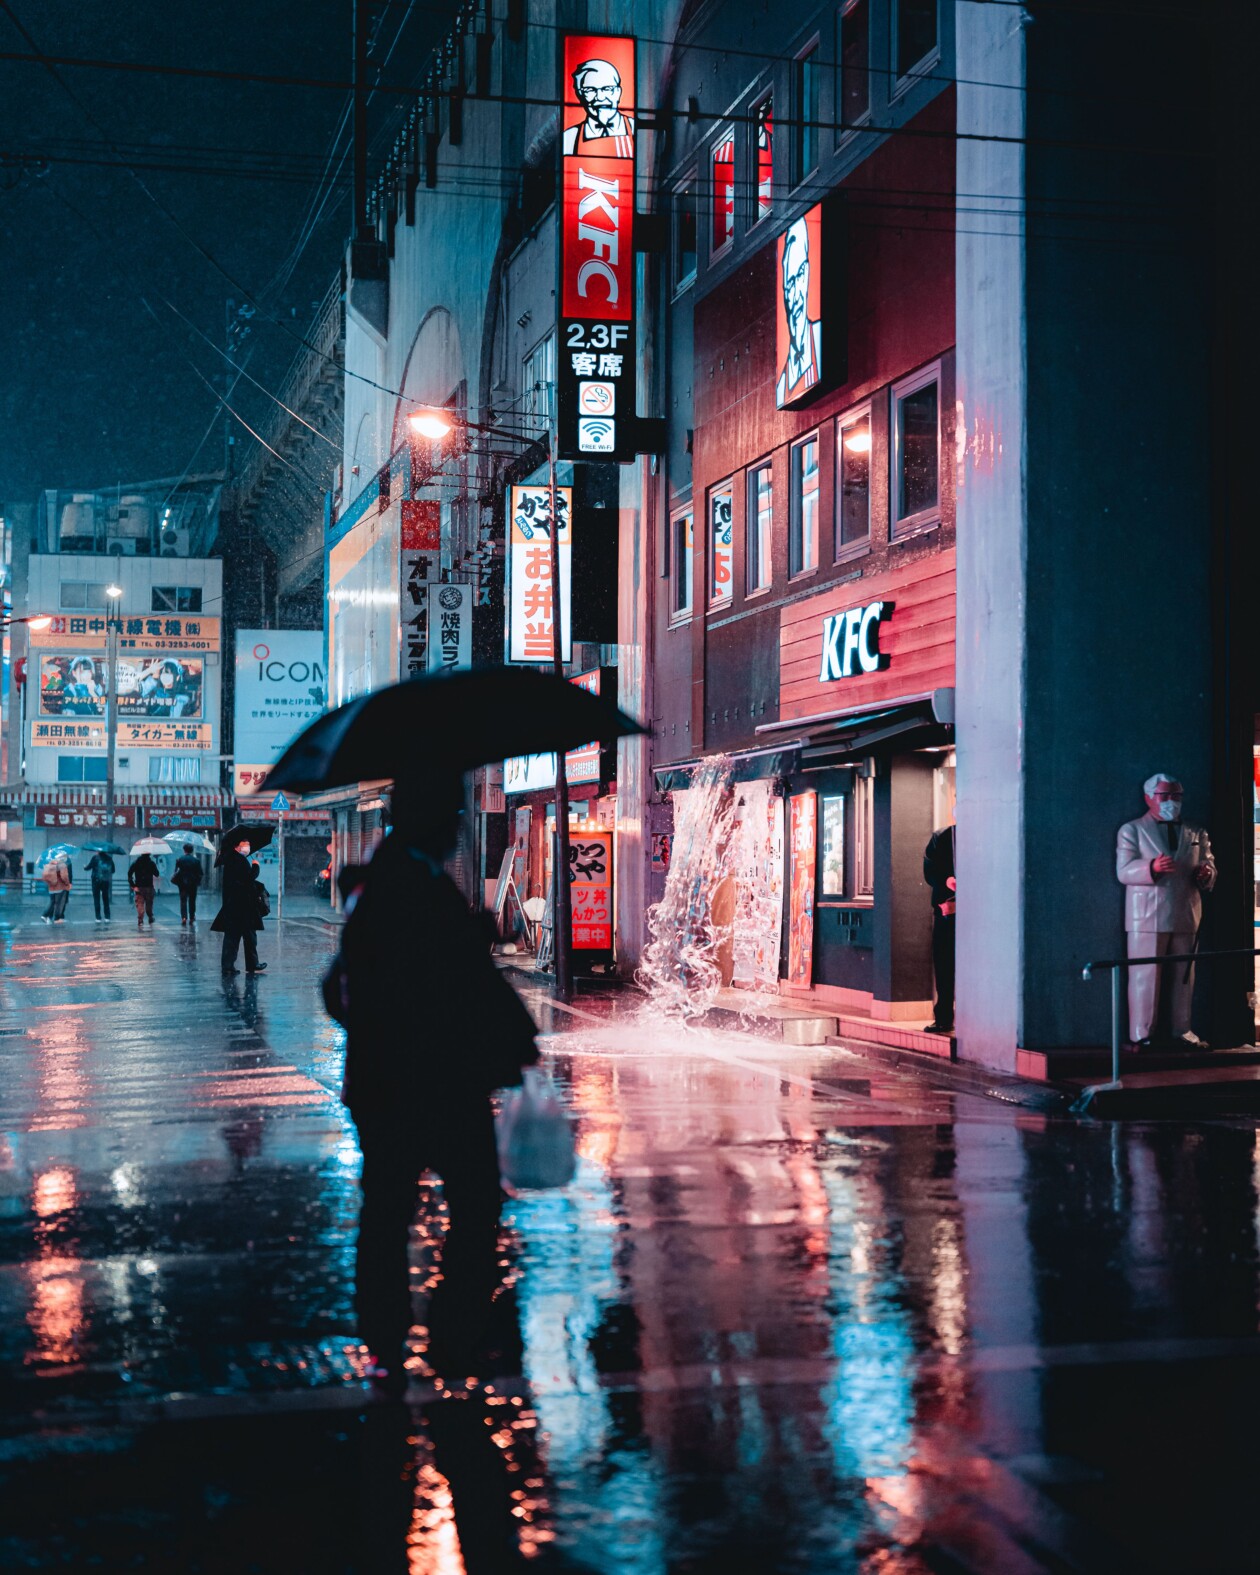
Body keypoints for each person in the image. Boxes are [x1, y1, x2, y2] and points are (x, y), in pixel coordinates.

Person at [332, 774, 538, 1391]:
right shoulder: (411, 885)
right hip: (433, 1082)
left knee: (390, 1208)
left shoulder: (388, 879)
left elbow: (344, 988)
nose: (457, 827)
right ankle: (449, 1335)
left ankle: (391, 1337)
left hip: (389, 1081)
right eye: (449, 815)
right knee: (472, 1204)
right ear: (427, 822)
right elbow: (436, 980)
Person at [1116, 772, 1217, 1049]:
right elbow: (1123, 871)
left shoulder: (1196, 832)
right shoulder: (1132, 830)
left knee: (1184, 976)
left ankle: (1181, 1029)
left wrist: (1206, 874)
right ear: (1149, 798)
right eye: (1164, 795)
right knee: (1144, 975)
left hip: (1186, 911)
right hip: (1146, 915)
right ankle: (1142, 1033)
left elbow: (1209, 864)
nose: (1171, 801)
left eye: (1176, 796)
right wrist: (1151, 868)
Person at [775, 215, 823, 407]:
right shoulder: (781, 386)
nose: (794, 296)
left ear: (808, 273)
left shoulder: (821, 340)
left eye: (799, 276)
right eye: (788, 285)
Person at [212, 836, 266, 976]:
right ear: (237, 847)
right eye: (245, 844)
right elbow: (248, 879)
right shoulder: (238, 861)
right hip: (241, 906)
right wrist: (256, 866)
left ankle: (235, 965)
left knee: (238, 937)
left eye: (248, 844)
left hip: (235, 905)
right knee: (242, 937)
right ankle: (243, 965)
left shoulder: (232, 860)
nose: (247, 847)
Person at [561, 57, 634, 157]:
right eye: (590, 90)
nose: (600, 97)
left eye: (607, 89)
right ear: (580, 95)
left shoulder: (636, 129)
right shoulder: (569, 138)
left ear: (618, 92)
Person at [923, 822, 956, 1035]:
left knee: (947, 965)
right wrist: (947, 880)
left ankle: (945, 1017)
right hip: (947, 910)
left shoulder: (987, 831)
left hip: (961, 911)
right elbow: (930, 871)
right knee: (944, 965)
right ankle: (943, 1016)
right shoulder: (942, 837)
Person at [172, 843, 203, 925]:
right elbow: (200, 873)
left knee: (183, 901)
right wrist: (197, 881)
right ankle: (192, 917)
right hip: (193, 884)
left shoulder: (179, 859)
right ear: (192, 851)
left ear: (184, 850)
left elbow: (175, 872)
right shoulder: (196, 861)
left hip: (182, 884)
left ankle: (184, 917)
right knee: (192, 901)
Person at [129, 851, 159, 927]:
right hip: (149, 887)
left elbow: (129, 873)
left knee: (140, 904)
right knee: (149, 904)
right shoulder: (151, 863)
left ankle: (140, 919)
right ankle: (150, 917)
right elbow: (157, 874)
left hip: (139, 887)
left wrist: (133, 885)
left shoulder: (136, 862)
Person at [85, 849, 115, 922]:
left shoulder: (95, 858)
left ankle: (98, 918)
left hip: (96, 880)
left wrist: (84, 867)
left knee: (96, 899)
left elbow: (88, 868)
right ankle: (107, 917)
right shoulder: (109, 858)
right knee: (106, 899)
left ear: (98, 851)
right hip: (105, 881)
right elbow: (113, 870)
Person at [39, 857, 72, 924]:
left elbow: (45, 876)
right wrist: (67, 883)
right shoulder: (62, 865)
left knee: (52, 901)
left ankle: (48, 917)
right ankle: (53, 917)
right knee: (58, 904)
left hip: (51, 887)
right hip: (60, 887)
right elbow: (64, 876)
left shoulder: (49, 864)